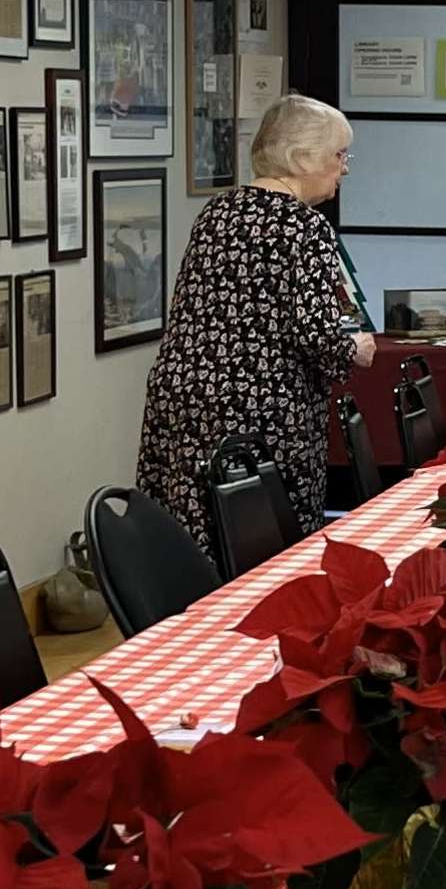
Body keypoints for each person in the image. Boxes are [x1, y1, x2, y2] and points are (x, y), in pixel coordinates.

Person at [135, 94, 376, 555]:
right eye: (339, 155)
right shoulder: (304, 227)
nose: (344, 168)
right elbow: (317, 332)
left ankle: (192, 622)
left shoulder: (216, 213)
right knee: (265, 545)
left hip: (184, 397)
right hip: (260, 410)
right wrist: (357, 349)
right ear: (301, 157)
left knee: (191, 540)